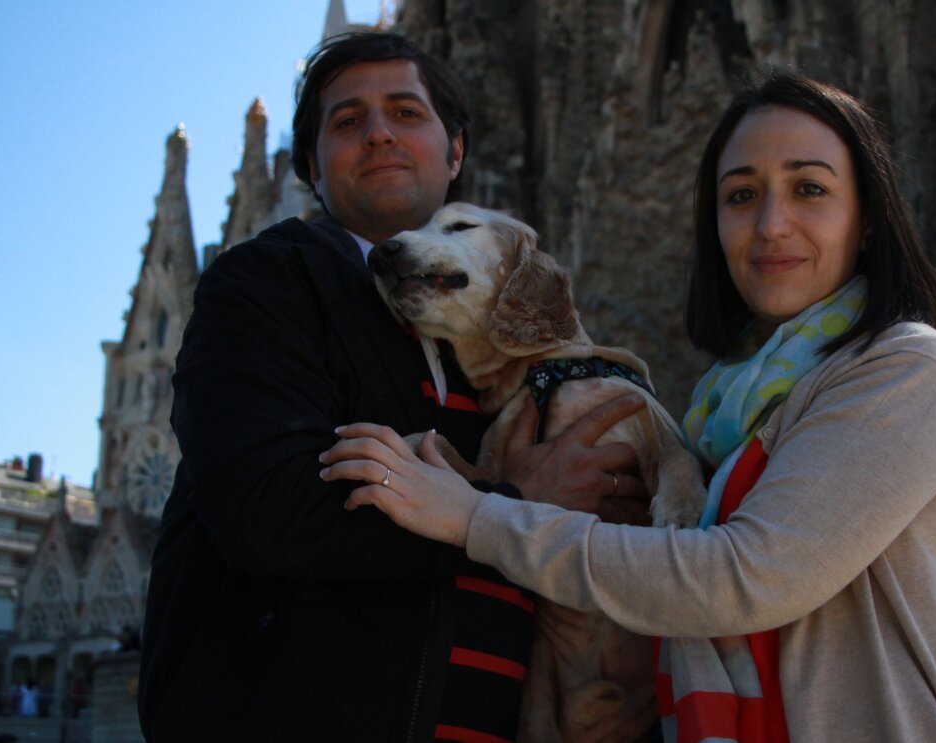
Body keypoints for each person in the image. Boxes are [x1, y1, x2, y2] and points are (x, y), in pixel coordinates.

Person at [324, 71, 936, 740]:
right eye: (741, 195)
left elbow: (741, 575)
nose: (772, 224)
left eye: (809, 189)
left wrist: (475, 514)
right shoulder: (725, 408)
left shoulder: (905, 370)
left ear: (866, 219)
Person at [137, 32, 644, 741]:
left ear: (456, 151)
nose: (379, 134)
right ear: (311, 166)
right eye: (348, 122)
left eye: (406, 113)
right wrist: (516, 504)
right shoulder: (266, 285)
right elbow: (268, 509)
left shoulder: (499, 324)